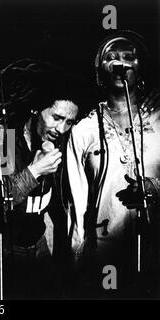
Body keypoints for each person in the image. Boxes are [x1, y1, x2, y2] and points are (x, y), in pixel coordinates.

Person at [0, 59, 90, 299]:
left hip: (33, 255)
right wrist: (33, 172)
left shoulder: (60, 144)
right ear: (36, 109)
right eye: (57, 118)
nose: (61, 128)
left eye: (69, 122)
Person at [67, 30, 160, 298]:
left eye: (129, 56)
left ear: (141, 68)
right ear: (100, 71)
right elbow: (78, 204)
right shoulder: (84, 131)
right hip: (108, 252)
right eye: (112, 57)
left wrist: (155, 186)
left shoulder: (158, 118)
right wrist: (78, 260)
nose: (120, 62)